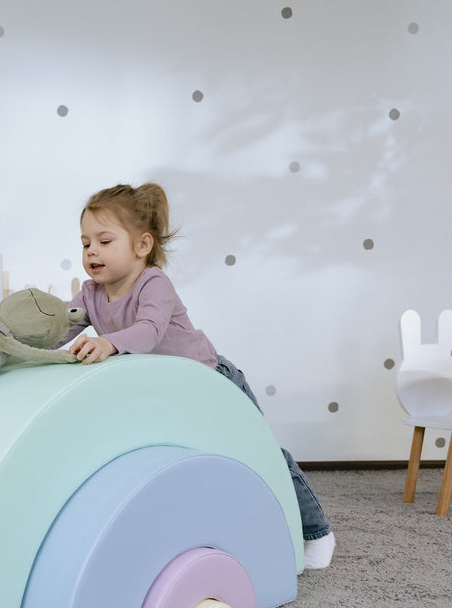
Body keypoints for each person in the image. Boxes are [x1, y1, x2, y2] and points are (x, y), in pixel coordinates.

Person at [60, 183, 335, 569]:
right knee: (187, 463)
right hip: (169, 394)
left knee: (260, 453)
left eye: (104, 241)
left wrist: (107, 342)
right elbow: (59, 327)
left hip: (212, 382)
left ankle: (318, 531)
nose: (91, 251)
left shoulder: (153, 283)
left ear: (142, 245)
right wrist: (21, 340)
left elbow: (149, 331)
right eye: (85, 243)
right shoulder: (91, 293)